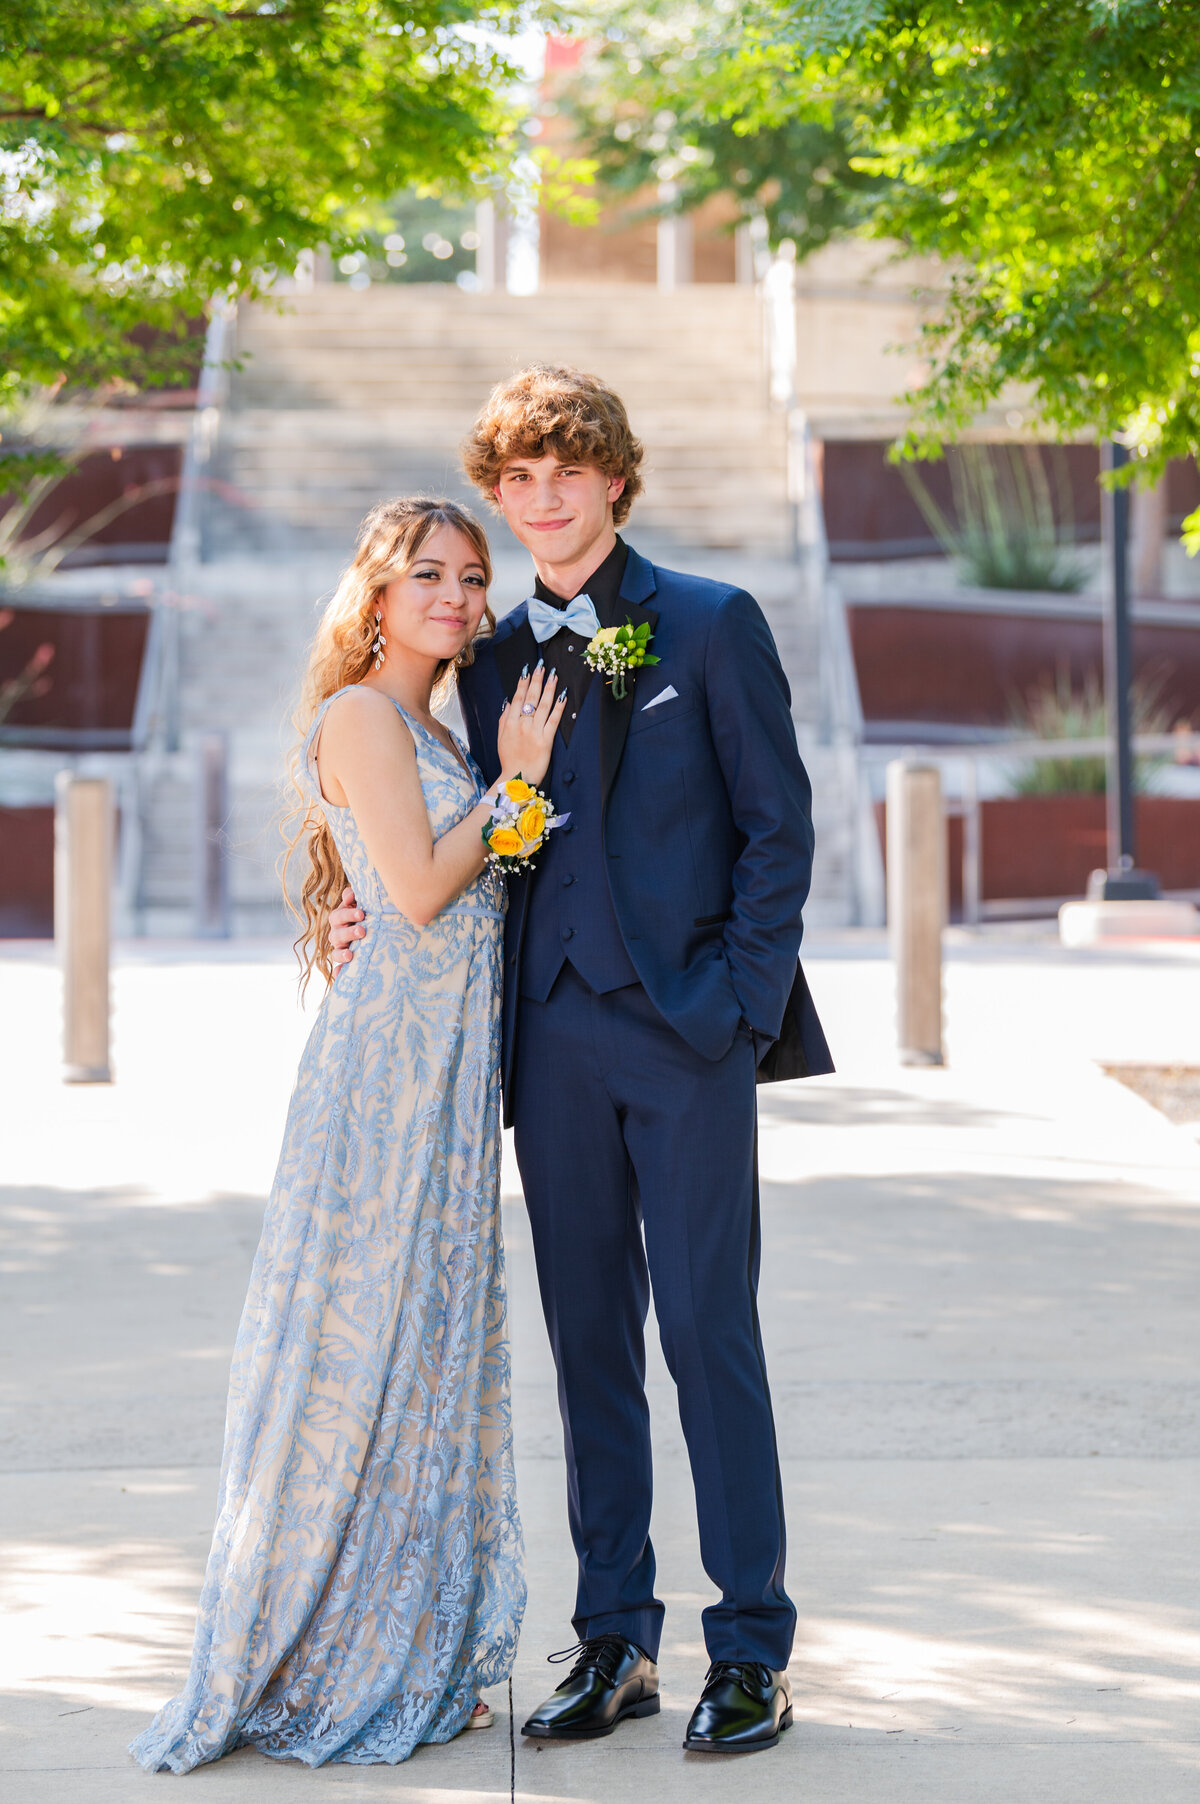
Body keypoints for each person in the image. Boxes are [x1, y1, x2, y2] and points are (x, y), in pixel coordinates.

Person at [331, 368, 834, 1756]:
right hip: (543, 1040)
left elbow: (778, 834)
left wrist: (733, 1010)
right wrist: (345, 894)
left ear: (615, 480)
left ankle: (752, 1649)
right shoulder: (477, 652)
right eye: (520, 478)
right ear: (499, 493)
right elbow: (398, 791)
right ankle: (615, 1637)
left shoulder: (713, 626)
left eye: (570, 473)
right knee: (588, 1344)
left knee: (707, 1335)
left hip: (686, 1038)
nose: (544, 499)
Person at [130, 497, 564, 1772]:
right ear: (375, 593)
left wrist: (497, 804)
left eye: (472, 578)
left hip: (441, 1084)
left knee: (423, 1348)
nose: (454, 595)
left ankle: (401, 1631)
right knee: (353, 1352)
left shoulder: (431, 721)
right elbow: (424, 892)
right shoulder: (366, 717)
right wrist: (518, 786)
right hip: (382, 1084)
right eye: (427, 573)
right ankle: (318, 1642)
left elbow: (413, 883)